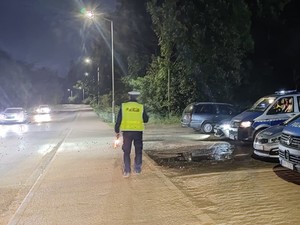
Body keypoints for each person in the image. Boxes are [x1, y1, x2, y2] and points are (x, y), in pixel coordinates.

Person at [115, 91, 149, 178]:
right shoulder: (140, 107)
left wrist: (117, 130)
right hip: (138, 132)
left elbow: (119, 119)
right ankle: (137, 169)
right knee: (138, 150)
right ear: (137, 97)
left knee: (126, 151)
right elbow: (145, 119)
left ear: (129, 97)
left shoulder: (124, 106)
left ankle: (127, 171)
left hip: (127, 132)